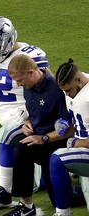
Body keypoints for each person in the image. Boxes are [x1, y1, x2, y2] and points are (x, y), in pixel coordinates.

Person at [0, 16, 51, 210]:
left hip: (31, 122)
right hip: (13, 123)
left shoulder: (30, 56)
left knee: (4, 137)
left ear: (7, 41)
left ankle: (5, 192)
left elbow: (50, 88)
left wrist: (33, 114)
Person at [1, 54, 74, 216]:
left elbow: (70, 128)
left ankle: (70, 201)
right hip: (39, 138)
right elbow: (33, 112)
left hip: (57, 141)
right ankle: (26, 206)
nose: (18, 84)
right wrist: (28, 122)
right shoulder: (28, 88)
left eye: (20, 80)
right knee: (20, 147)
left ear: (31, 72)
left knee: (58, 198)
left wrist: (44, 138)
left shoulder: (56, 90)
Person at [50, 59, 89, 216]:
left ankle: (63, 212)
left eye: (68, 90)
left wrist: (74, 141)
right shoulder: (78, 85)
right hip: (83, 147)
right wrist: (66, 125)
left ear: (78, 80)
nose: (67, 94)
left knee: (57, 159)